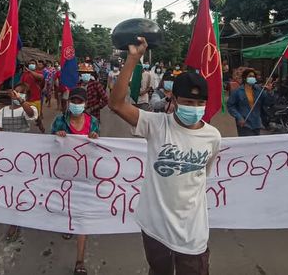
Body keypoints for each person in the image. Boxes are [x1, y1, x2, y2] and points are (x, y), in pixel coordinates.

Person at [109, 37, 220, 275]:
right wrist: (132, 59)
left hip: (193, 232)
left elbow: (202, 174)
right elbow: (117, 104)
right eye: (189, 102)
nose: (195, 107)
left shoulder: (213, 137)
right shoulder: (156, 125)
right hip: (155, 228)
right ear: (175, 100)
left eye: (200, 103)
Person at [51, 87, 99, 275]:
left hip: (85, 174)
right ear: (69, 102)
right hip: (64, 174)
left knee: (82, 215)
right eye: (74, 101)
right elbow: (47, 145)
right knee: (67, 206)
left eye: (80, 102)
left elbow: (98, 149)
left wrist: (95, 139)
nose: (76, 105)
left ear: (85, 104)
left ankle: (80, 260)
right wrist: (57, 137)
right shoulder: (60, 121)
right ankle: (67, 224)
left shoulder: (93, 122)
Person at [0, 82, 38, 241]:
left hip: (22, 156)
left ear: (26, 96)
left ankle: (14, 222)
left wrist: (22, 102)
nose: (17, 95)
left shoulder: (27, 109)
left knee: (18, 188)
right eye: (15, 92)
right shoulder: (3, 111)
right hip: (6, 156)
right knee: (6, 187)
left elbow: (31, 114)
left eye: (21, 93)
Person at [227, 68, 274, 136]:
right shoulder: (237, 91)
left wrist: (269, 92)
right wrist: (239, 117)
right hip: (244, 123)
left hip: (256, 123)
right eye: (250, 76)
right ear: (245, 78)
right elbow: (230, 106)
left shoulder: (259, 90)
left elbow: (268, 103)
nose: (252, 78)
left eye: (253, 76)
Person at [20, 59, 45, 132]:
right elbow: (21, 84)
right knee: (23, 115)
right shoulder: (24, 74)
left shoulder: (39, 72)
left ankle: (41, 127)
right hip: (26, 99)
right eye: (30, 63)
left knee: (37, 117)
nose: (31, 64)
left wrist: (30, 71)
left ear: (36, 65)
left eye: (33, 63)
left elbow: (40, 77)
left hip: (36, 99)